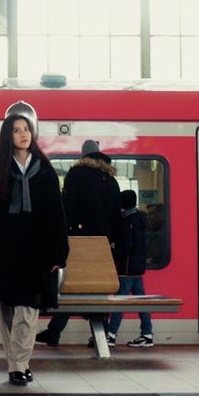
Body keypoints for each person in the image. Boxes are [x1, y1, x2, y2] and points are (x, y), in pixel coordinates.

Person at [0, 102, 69, 386]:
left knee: (27, 311)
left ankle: (17, 366)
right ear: (7, 137)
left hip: (35, 254)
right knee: (7, 313)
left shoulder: (46, 172)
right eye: (16, 130)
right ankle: (18, 365)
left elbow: (56, 216)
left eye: (26, 129)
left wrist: (58, 254)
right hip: (3, 253)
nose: (24, 134)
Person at [38, 140, 120, 348]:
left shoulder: (77, 175)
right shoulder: (111, 179)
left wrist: (59, 236)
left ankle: (55, 332)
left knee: (72, 288)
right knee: (96, 290)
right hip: (103, 244)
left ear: (83, 156)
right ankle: (100, 334)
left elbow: (66, 207)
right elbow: (115, 215)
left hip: (79, 241)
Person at [111, 188, 154, 347]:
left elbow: (126, 247)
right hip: (137, 269)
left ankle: (110, 334)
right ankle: (147, 334)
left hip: (127, 269)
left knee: (119, 302)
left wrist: (114, 252)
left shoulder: (127, 222)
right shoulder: (140, 219)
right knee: (141, 302)